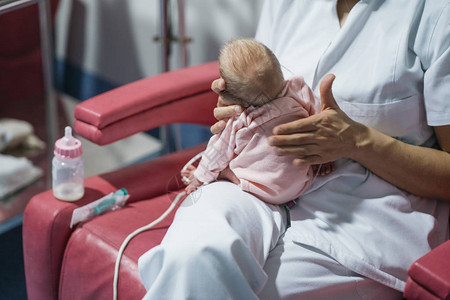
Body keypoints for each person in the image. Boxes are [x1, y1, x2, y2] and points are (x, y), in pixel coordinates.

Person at [139, 0, 450, 299]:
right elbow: (258, 84)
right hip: (254, 181)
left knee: (255, 291)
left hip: (363, 216)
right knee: (189, 260)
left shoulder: (437, 14)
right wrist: (239, 105)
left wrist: (357, 142)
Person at [184, 38, 333, 204]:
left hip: (258, 187)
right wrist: (325, 159)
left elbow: (218, 151)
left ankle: (224, 173)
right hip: (301, 182)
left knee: (226, 161)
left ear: (227, 90)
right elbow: (320, 120)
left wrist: (199, 177)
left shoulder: (241, 118)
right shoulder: (299, 90)